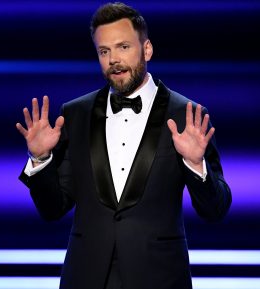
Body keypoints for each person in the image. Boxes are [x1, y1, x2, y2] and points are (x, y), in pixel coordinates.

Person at [16, 2, 231, 289]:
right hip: (86, 278)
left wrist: (195, 165)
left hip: (160, 278)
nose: (113, 60)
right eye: (104, 51)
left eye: (123, 47)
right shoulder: (75, 114)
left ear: (147, 49)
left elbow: (215, 210)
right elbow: (53, 209)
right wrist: (41, 159)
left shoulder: (187, 116)